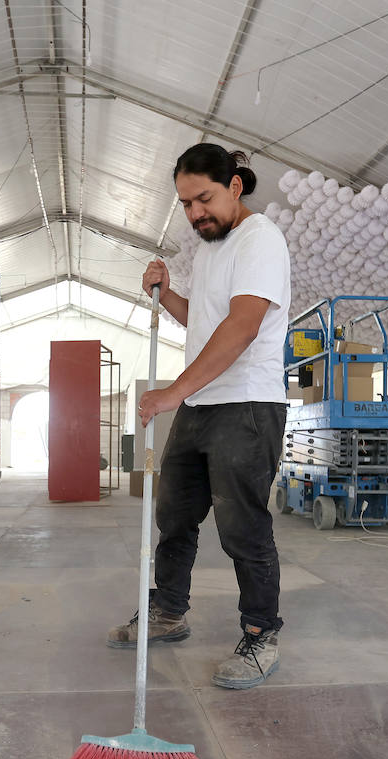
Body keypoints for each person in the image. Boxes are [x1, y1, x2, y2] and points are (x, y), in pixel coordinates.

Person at [107, 143, 292, 689]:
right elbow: (205, 326)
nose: (195, 214)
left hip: (248, 405)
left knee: (242, 526)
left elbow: (241, 327)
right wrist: (167, 297)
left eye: (203, 199)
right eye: (186, 204)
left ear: (235, 185)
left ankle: (261, 636)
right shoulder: (213, 246)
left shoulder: (261, 240)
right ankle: (168, 610)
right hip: (203, 402)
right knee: (173, 515)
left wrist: (171, 392)